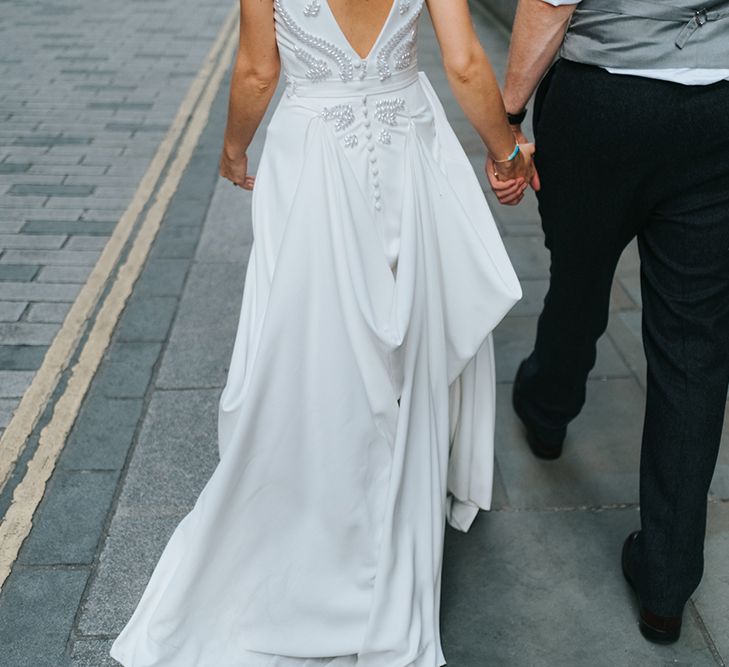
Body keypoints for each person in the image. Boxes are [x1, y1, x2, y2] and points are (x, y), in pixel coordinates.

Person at [110, 0, 533, 664]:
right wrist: (507, 153)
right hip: (403, 147)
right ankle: (389, 516)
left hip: (311, 153)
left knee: (310, 345)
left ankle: (319, 519)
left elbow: (256, 71)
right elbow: (463, 59)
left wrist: (233, 146)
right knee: (404, 344)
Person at [489, 0, 729, 646]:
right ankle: (665, 582)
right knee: (694, 343)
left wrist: (507, 114)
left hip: (601, 101)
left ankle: (546, 409)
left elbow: (549, 3)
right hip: (716, 104)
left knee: (579, 273)